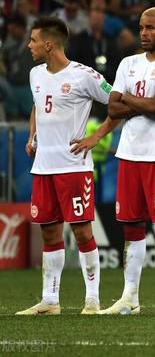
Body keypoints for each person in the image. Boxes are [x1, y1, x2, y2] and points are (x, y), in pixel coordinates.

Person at [15, 16, 119, 315]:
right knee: (49, 232)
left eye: (33, 40)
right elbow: (37, 104)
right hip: (43, 167)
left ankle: (92, 300)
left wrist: (96, 136)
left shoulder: (84, 75)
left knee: (82, 232)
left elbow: (119, 103)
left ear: (49, 44)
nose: (29, 45)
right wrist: (33, 133)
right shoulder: (35, 74)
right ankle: (50, 300)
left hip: (73, 167)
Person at [100, 7, 155, 314]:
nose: (144, 33)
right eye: (141, 27)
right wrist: (142, 103)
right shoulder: (128, 63)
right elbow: (112, 109)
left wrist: (128, 98)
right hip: (129, 154)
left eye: (150, 28)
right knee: (131, 226)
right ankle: (130, 297)